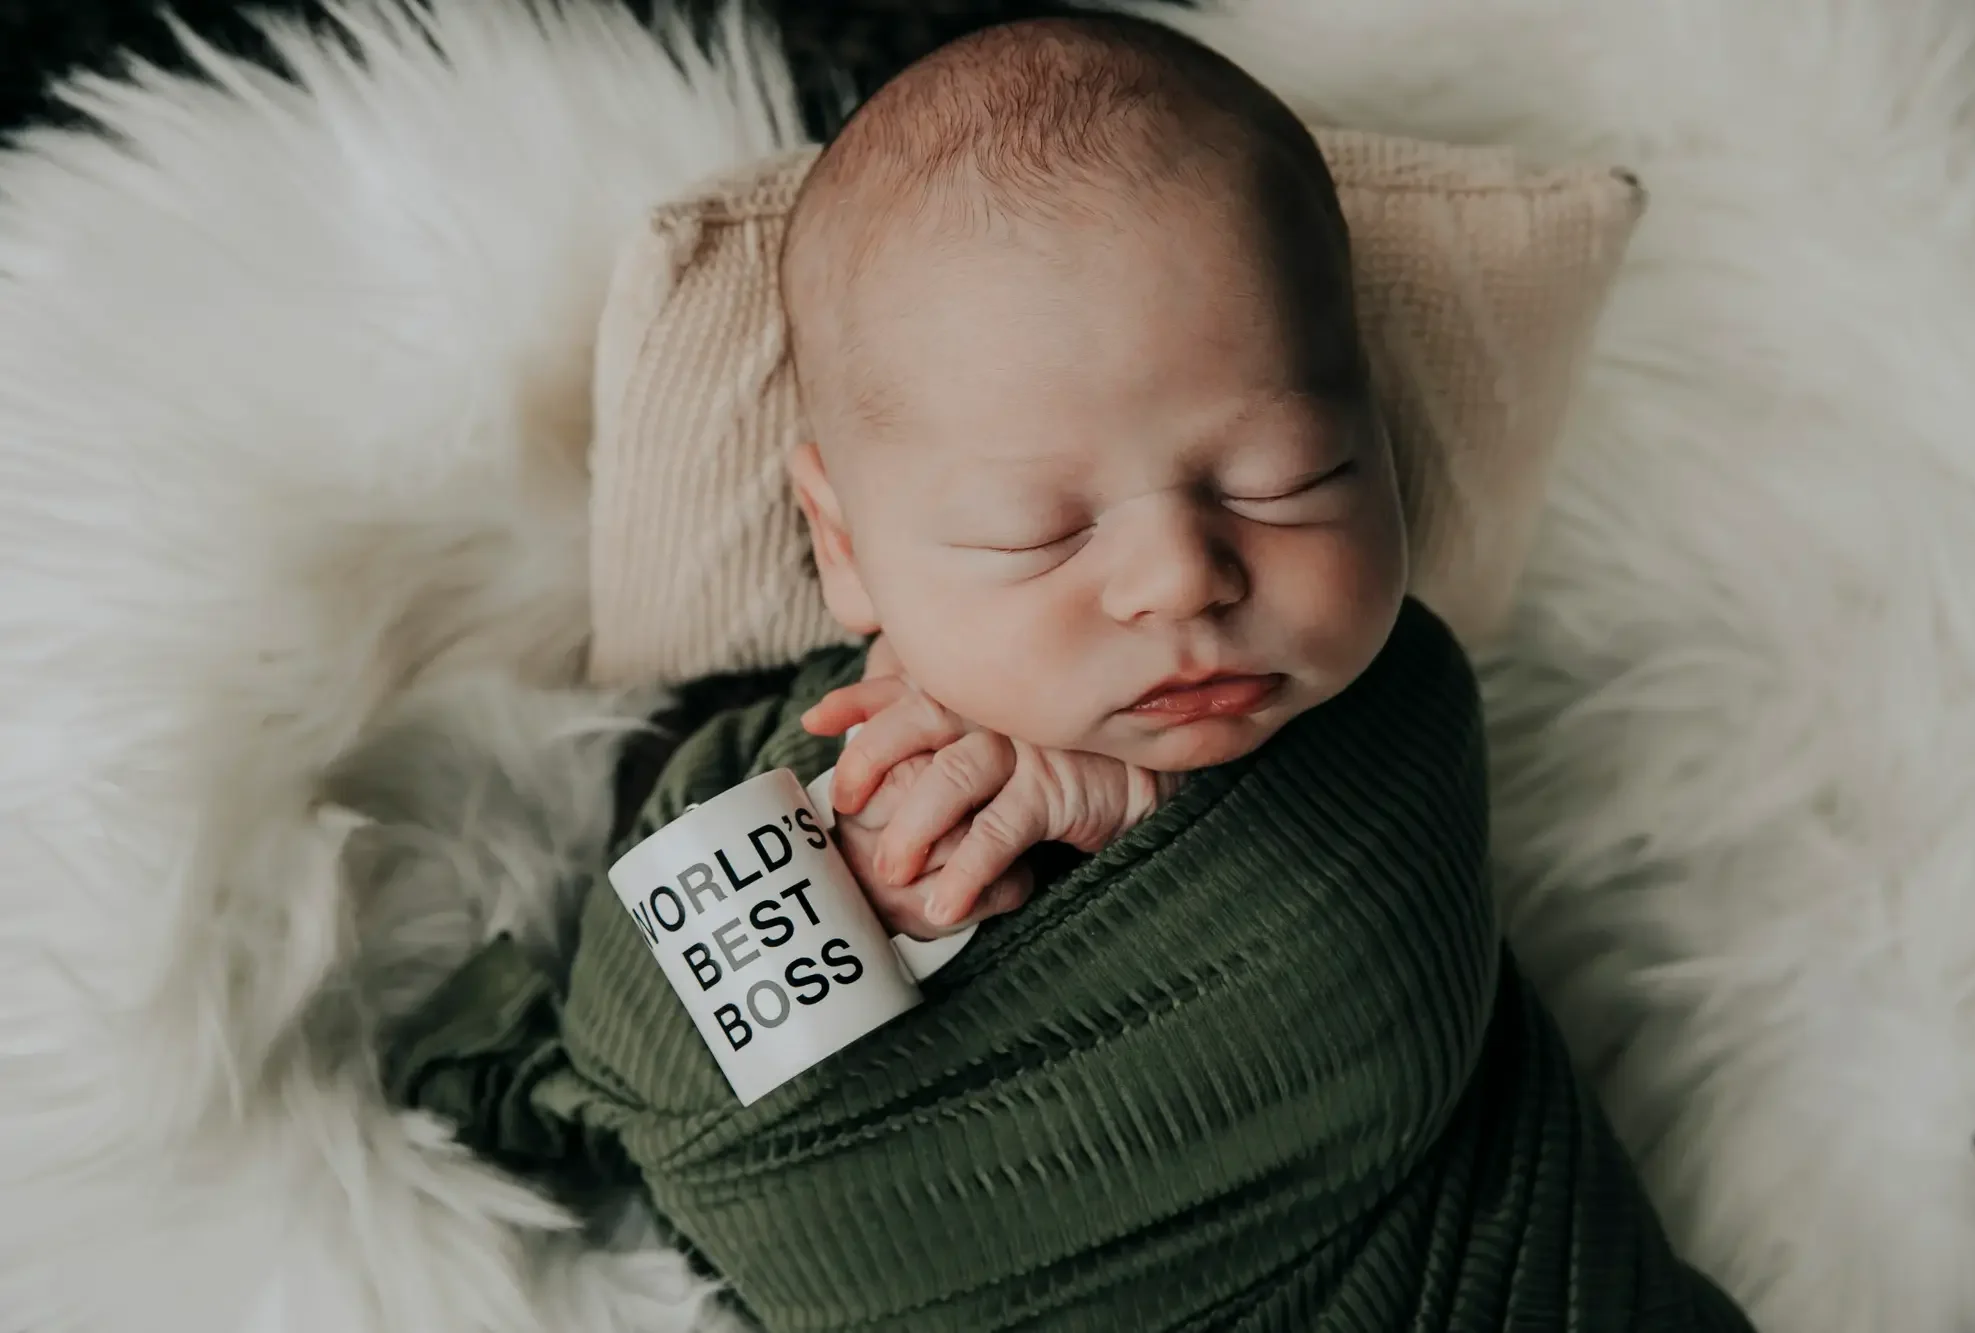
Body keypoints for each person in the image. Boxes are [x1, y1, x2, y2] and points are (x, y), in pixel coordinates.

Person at [385, 16, 1753, 1331]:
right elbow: (672, 1108)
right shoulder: (797, 787)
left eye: (1292, 480)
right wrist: (886, 907)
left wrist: (1138, 814)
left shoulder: (1390, 715)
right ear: (846, 548)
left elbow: (1396, 1007)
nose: (1182, 577)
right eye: (1035, 531)